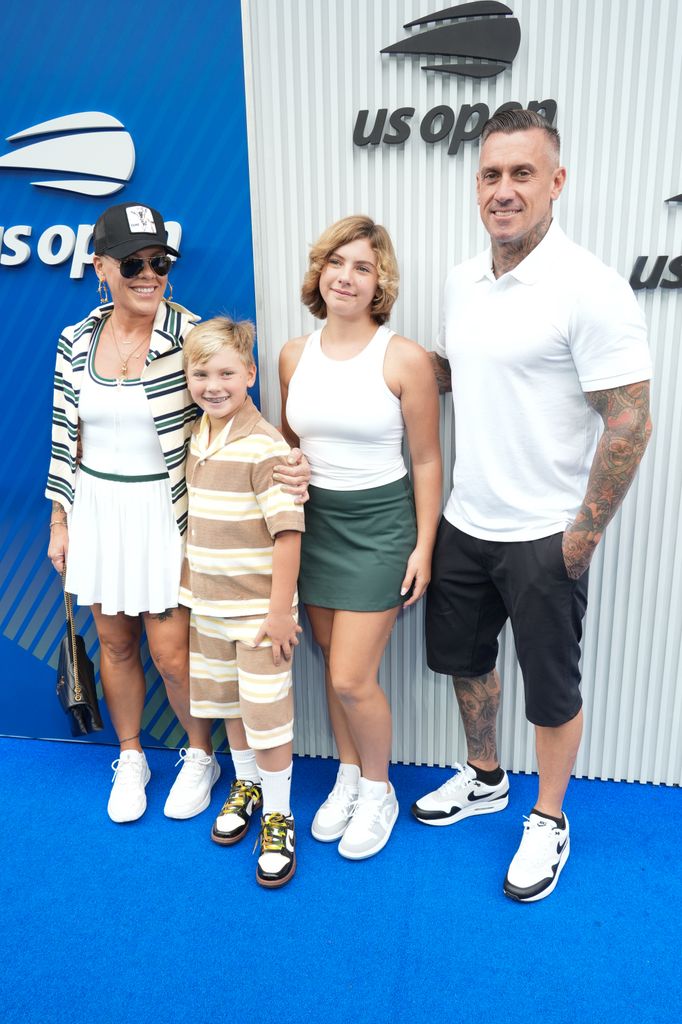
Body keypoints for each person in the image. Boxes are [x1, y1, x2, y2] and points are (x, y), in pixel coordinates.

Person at [413, 110, 653, 902]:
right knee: (466, 663)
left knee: (552, 688)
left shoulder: (589, 287)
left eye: (523, 174)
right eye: (491, 175)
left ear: (557, 183)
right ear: (476, 186)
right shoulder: (463, 279)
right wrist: (379, 362)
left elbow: (630, 416)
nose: (504, 190)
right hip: (466, 521)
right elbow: (468, 372)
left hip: (544, 535)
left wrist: (578, 540)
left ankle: (549, 816)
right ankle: (486, 777)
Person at [46, 201, 308, 825]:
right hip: (100, 508)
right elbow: (64, 436)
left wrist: (289, 460)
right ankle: (131, 754)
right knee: (113, 642)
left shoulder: (189, 336)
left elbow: (232, 411)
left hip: (169, 514)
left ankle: (200, 755)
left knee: (171, 654)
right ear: (100, 266)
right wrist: (61, 519)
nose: (148, 273)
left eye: (159, 261)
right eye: (133, 262)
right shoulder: (75, 340)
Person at [280, 215, 442, 860]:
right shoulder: (294, 353)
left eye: (363, 267)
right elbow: (292, 443)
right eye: (337, 262)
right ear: (321, 270)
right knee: (325, 654)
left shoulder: (405, 358)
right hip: (313, 523)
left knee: (352, 675)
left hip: (380, 526)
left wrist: (423, 546)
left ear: (380, 283)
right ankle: (348, 773)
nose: (347, 276)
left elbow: (428, 460)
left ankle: (380, 789)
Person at [179, 317, 304, 888]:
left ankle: (279, 813)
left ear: (250, 375)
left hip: (259, 616)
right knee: (231, 707)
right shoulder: (197, 438)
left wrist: (279, 611)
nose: (213, 384)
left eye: (227, 372)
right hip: (208, 609)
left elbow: (288, 534)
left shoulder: (266, 446)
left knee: (267, 715)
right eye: (200, 373)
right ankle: (246, 783)